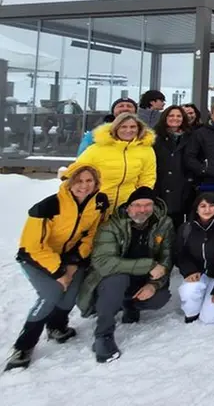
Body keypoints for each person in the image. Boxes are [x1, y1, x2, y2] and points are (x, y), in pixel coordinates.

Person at [5, 163, 109, 371]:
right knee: (51, 293)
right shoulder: (48, 207)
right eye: (79, 181)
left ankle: (56, 327)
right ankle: (24, 346)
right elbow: (34, 245)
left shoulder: (99, 202)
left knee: (71, 293)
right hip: (36, 257)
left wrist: (73, 262)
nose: (84, 186)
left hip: (70, 255)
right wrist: (59, 272)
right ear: (69, 182)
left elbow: (91, 234)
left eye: (89, 181)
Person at [76, 187, 174, 363]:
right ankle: (103, 336)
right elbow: (104, 263)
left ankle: (129, 304)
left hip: (142, 279)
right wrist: (149, 265)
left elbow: (166, 259)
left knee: (160, 297)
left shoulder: (163, 224)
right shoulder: (111, 226)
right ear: (128, 207)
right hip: (111, 279)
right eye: (137, 205)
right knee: (117, 280)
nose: (142, 210)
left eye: (147, 205)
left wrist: (154, 285)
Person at [77, 113, 156, 211]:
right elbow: (77, 172)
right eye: (123, 127)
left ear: (139, 129)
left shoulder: (146, 150)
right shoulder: (96, 149)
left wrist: (139, 199)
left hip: (127, 206)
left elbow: (147, 177)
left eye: (133, 127)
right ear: (116, 128)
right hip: (96, 205)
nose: (128, 130)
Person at [176, 192, 214, 323]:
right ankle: (195, 305)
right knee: (190, 300)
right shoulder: (186, 228)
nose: (207, 210)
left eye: (212, 205)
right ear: (196, 208)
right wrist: (189, 270)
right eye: (203, 206)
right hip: (196, 274)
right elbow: (180, 254)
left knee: (209, 318)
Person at [153, 105, 193, 227]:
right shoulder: (155, 137)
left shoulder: (190, 137)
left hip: (182, 188)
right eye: (171, 115)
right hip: (160, 186)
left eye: (178, 116)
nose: (175, 118)